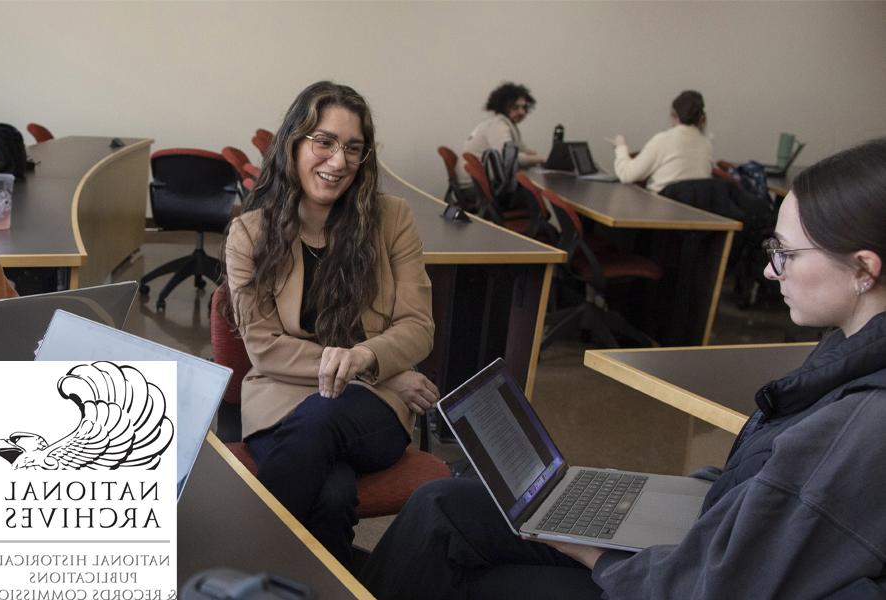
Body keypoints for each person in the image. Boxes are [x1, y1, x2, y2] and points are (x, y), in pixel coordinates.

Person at [360, 138, 886, 599]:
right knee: (441, 502)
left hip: (675, 580)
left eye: (785, 253)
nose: (770, 271)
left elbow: (706, 588)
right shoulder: (849, 352)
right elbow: (762, 493)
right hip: (700, 541)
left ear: (863, 269)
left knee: (460, 572)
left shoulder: (861, 423)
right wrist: (646, 493)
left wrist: (584, 546)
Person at [223, 81, 437, 565]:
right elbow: (264, 348)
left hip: (370, 408)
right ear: (293, 143)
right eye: (324, 141)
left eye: (353, 148)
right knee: (333, 495)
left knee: (323, 416)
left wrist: (363, 358)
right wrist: (380, 368)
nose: (338, 161)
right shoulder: (249, 234)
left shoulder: (393, 219)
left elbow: (418, 325)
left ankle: (233, 568)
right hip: (283, 398)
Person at [608, 90, 713, 193]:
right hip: (692, 209)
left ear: (674, 115)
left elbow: (627, 175)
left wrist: (620, 147)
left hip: (660, 207)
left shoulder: (663, 140)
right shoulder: (706, 145)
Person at [455, 82, 545, 194]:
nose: (522, 112)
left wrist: (538, 156)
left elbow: (520, 149)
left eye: (524, 107)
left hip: (477, 186)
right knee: (538, 194)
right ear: (503, 106)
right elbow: (509, 158)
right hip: (476, 189)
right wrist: (542, 159)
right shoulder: (498, 125)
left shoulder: (502, 123)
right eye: (515, 107)